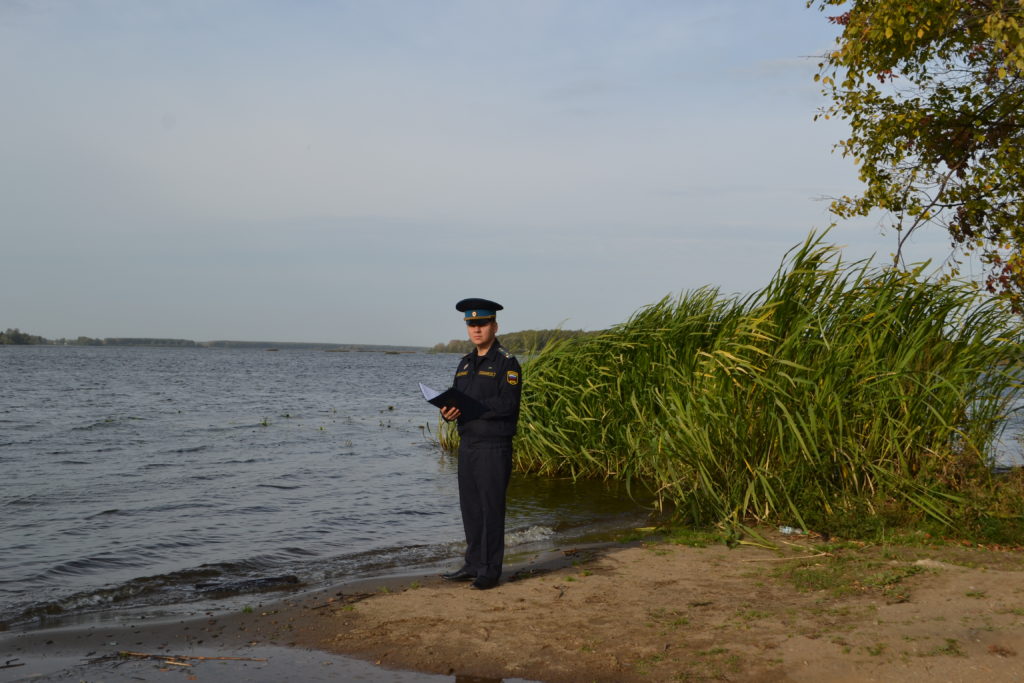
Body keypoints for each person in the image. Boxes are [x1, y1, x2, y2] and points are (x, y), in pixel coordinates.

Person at [439, 297, 522, 590]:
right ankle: (473, 563)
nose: (477, 329)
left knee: (490, 508)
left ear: (494, 326)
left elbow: (507, 403)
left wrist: (471, 407)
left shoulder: (507, 362)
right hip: (469, 444)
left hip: (494, 446)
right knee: (471, 507)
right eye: (472, 324)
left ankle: (490, 570)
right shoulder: (464, 364)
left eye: (482, 323)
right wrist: (448, 411)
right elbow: (457, 400)